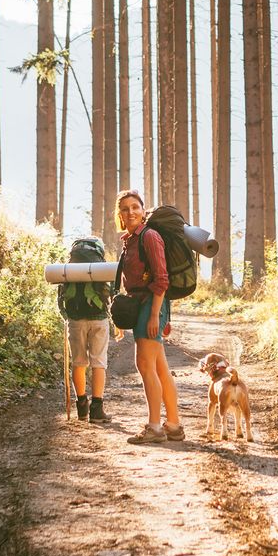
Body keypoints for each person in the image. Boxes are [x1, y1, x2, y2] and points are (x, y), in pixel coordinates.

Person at [115, 190, 185, 444]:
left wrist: (155, 315)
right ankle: (174, 425)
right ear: (120, 215)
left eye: (135, 207)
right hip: (143, 305)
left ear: (143, 211)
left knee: (144, 365)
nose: (130, 212)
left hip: (151, 304)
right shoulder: (131, 240)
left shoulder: (150, 236)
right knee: (159, 367)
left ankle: (155, 427)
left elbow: (162, 279)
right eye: (125, 209)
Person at [56, 235, 112, 423]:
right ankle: (97, 409)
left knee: (78, 362)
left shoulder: (70, 268)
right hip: (99, 319)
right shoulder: (100, 265)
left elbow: (61, 295)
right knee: (99, 363)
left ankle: (81, 407)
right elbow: (110, 292)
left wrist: (66, 316)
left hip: (75, 319)